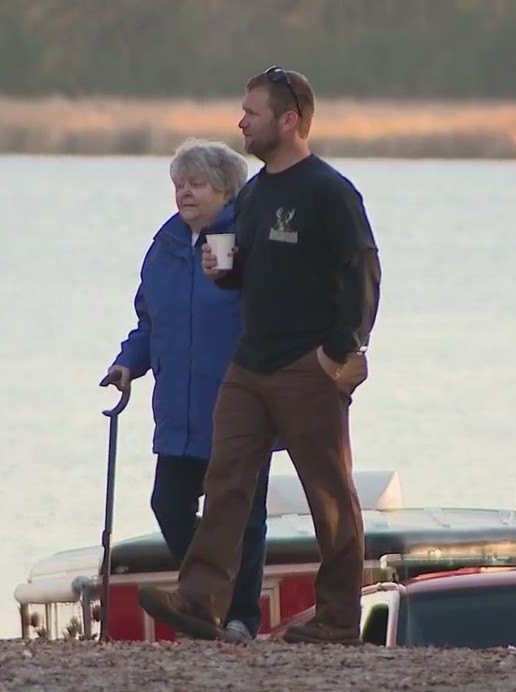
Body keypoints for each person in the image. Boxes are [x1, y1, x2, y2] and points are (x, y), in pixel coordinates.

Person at [136, 66, 382, 645]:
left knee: (329, 495)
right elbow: (247, 270)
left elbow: (363, 269)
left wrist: (341, 349)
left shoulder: (327, 191)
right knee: (225, 484)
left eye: (252, 112)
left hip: (308, 365)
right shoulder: (254, 195)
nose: (241, 122)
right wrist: (223, 272)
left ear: (289, 120)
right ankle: (200, 600)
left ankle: (337, 618)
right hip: (248, 366)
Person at [102, 137, 272, 643]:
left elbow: (269, 318)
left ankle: (241, 618)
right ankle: (207, 597)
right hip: (178, 412)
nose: (184, 193)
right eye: (179, 184)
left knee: (244, 519)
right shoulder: (166, 246)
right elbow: (150, 323)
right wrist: (127, 363)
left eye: (196, 184)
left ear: (226, 190)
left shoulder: (245, 241)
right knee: (168, 505)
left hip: (239, 408)